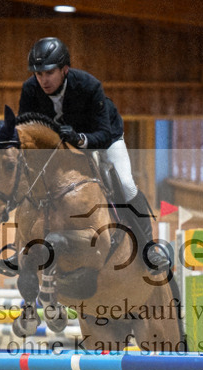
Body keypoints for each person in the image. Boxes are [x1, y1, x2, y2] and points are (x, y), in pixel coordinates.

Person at [18, 37, 171, 273]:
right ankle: (20, 247)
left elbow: (103, 133)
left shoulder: (89, 86)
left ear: (64, 69)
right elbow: (25, 129)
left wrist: (80, 139)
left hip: (102, 140)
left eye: (49, 73)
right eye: (38, 74)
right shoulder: (30, 89)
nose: (43, 80)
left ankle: (149, 249)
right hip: (60, 147)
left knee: (126, 184)